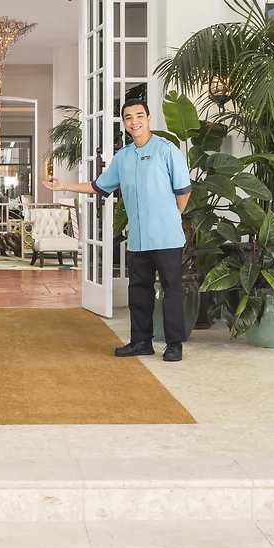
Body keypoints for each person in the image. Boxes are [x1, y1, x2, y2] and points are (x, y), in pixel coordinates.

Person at [43, 98, 191, 362]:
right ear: (124, 123)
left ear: (149, 119)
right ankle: (141, 341)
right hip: (138, 239)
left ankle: (174, 344)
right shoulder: (122, 157)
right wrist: (65, 186)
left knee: (172, 289)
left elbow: (183, 192)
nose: (134, 121)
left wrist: (170, 217)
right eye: (128, 117)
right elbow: (100, 186)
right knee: (139, 290)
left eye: (139, 115)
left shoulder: (167, 150)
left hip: (167, 237)